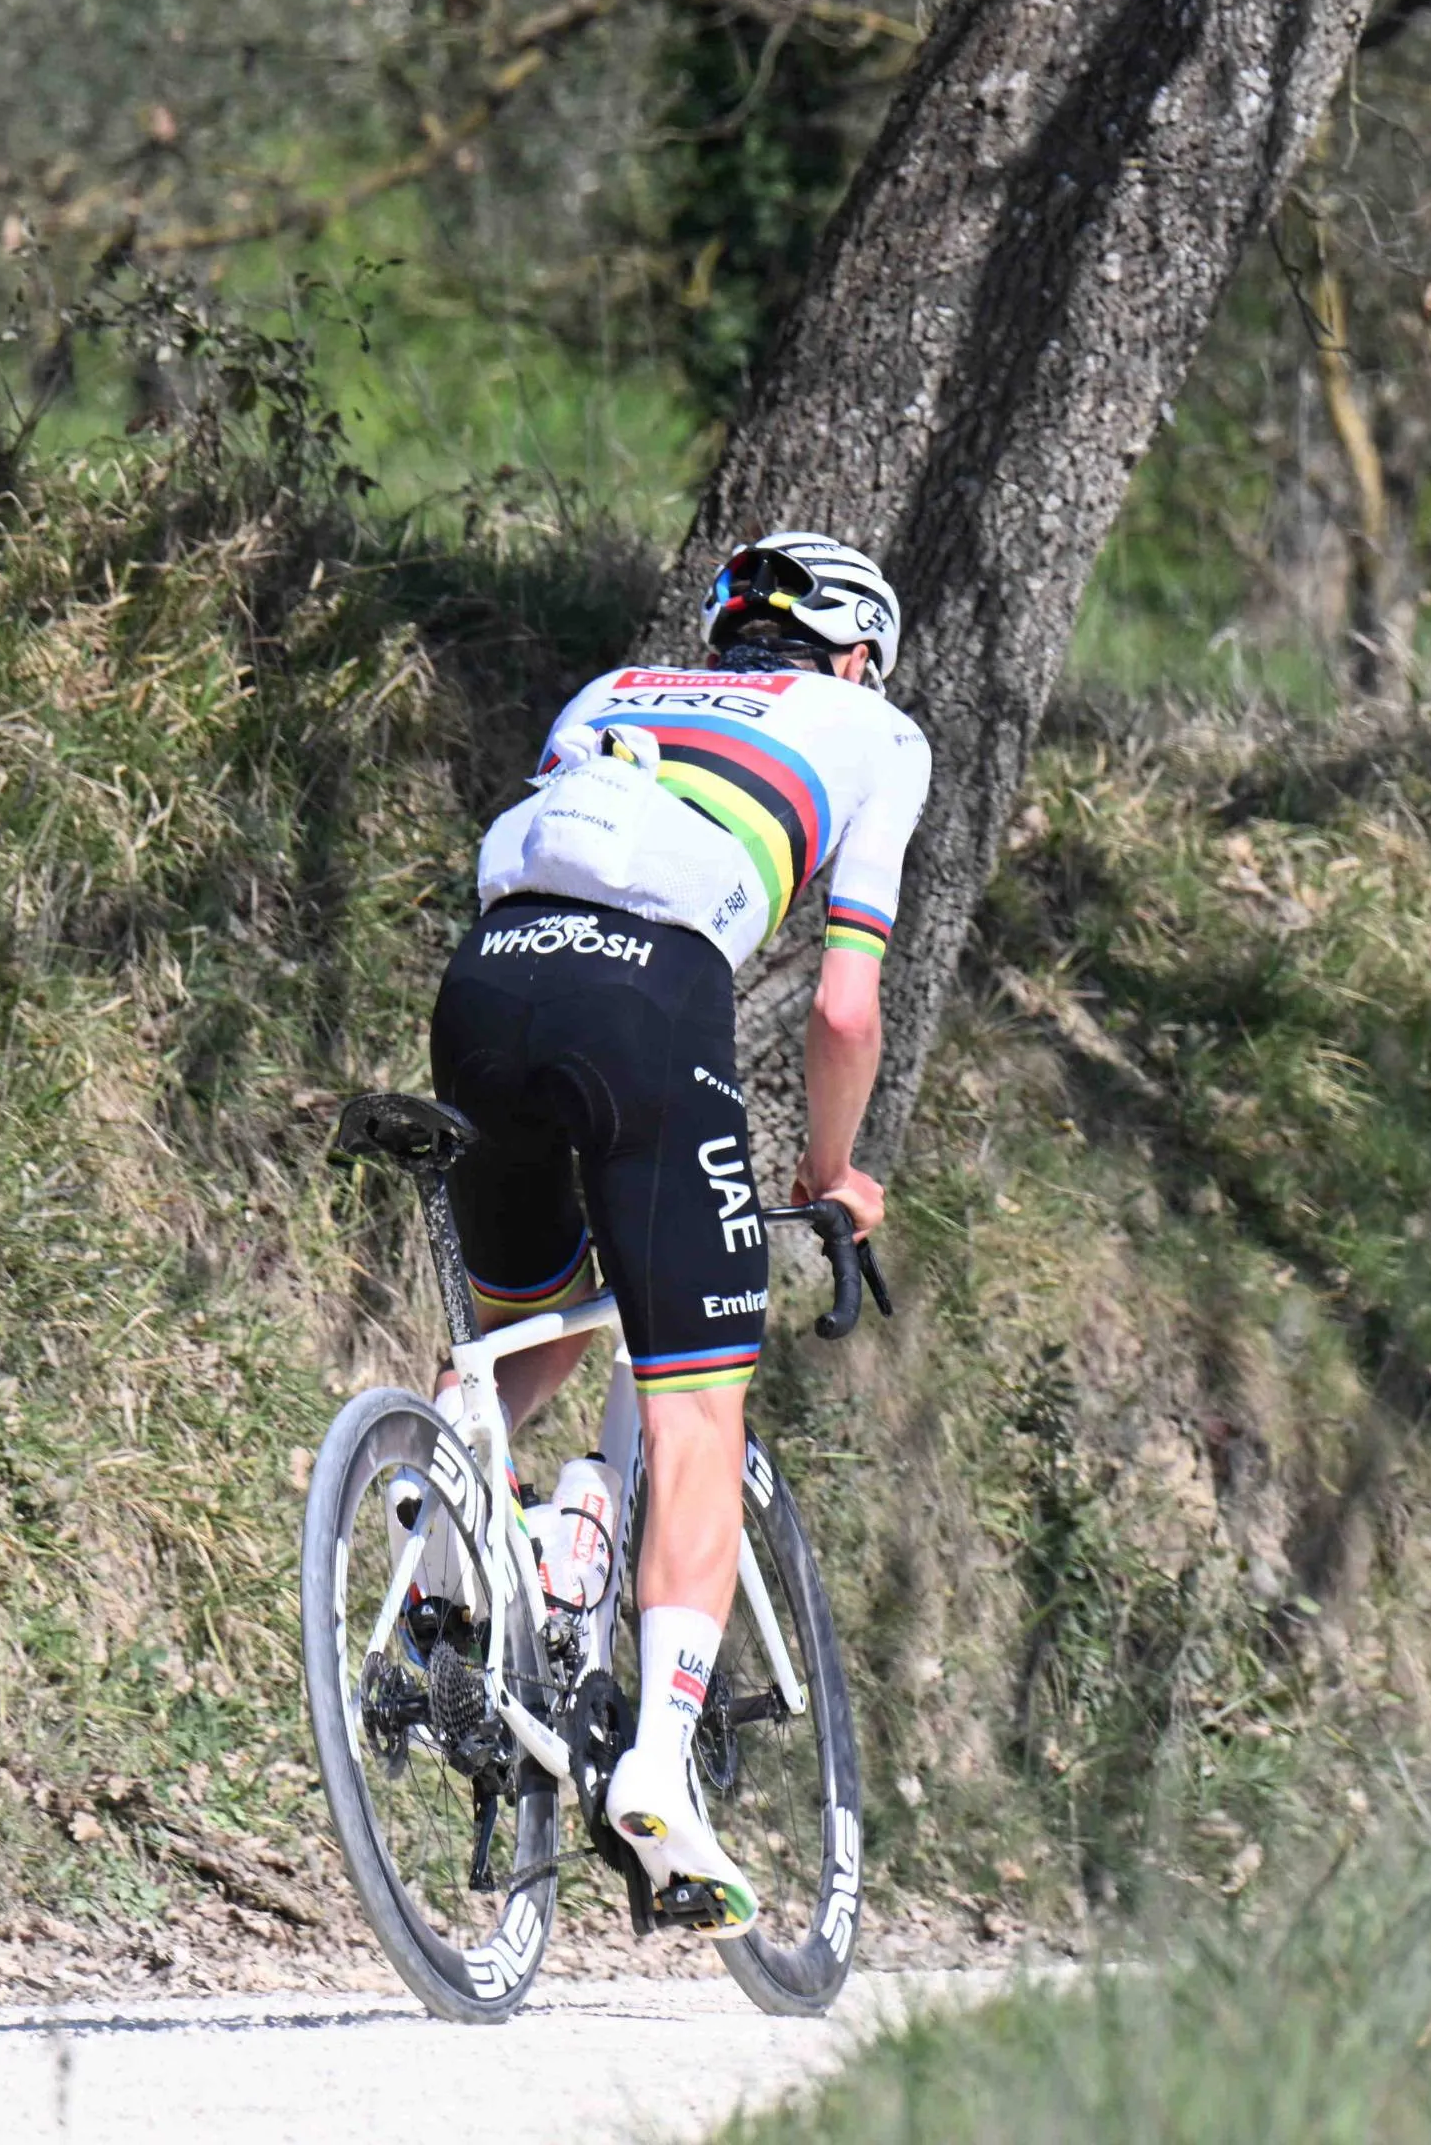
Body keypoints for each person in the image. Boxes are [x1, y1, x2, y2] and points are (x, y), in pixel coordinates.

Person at [432, 529, 929, 1933]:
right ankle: (657, 1764)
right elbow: (843, 1007)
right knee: (696, 1398)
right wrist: (837, 1175)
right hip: (648, 997)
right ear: (859, 653)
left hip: (487, 980)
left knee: (517, 1329)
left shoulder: (608, 694)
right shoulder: (874, 732)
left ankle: (445, 1522)